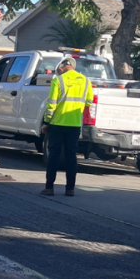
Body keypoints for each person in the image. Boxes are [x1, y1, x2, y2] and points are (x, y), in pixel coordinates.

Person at [41, 56, 94, 197]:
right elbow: (89, 101)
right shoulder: (85, 80)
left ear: (60, 68)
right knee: (71, 156)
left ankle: (49, 188)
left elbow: (51, 104)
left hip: (57, 124)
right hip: (75, 125)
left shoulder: (58, 80)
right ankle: (70, 189)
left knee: (54, 156)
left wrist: (46, 122)